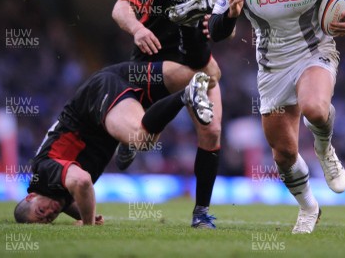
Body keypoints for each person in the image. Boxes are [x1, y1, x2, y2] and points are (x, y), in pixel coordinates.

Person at [208, 0, 345, 234]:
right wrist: (231, 15)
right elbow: (215, 29)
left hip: (314, 51)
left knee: (314, 108)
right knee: (283, 154)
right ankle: (309, 207)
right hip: (271, 67)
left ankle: (325, 149)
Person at [111, 0, 229, 229]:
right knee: (145, 141)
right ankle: (132, 140)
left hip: (195, 59)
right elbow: (120, 9)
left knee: (213, 130)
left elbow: (225, 28)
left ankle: (201, 212)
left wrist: (222, 25)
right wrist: (137, 29)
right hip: (153, 60)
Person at [14, 61, 213, 224]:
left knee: (142, 139)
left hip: (98, 95)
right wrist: (84, 214)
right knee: (211, 74)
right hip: (115, 81)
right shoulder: (53, 192)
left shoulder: (45, 170)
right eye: (49, 218)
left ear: (31, 197)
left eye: (41, 211)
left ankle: (185, 95)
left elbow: (82, 182)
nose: (50, 212)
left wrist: (88, 223)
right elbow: (66, 199)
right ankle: (127, 139)